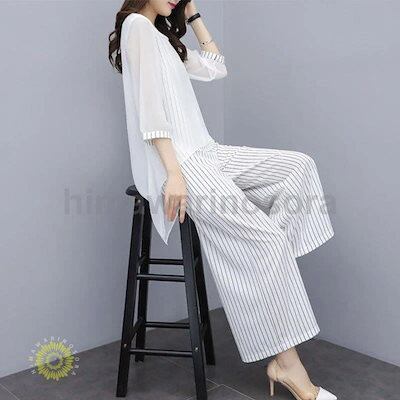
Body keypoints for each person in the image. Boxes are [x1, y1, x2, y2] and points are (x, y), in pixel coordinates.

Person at [109, 1, 336, 399]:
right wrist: (173, 173)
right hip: (181, 164)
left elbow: (217, 68)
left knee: (298, 169)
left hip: (208, 152)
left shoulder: (163, 36)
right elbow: (150, 111)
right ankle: (287, 364)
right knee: (267, 242)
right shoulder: (136, 28)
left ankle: (267, 266)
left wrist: (193, 16)